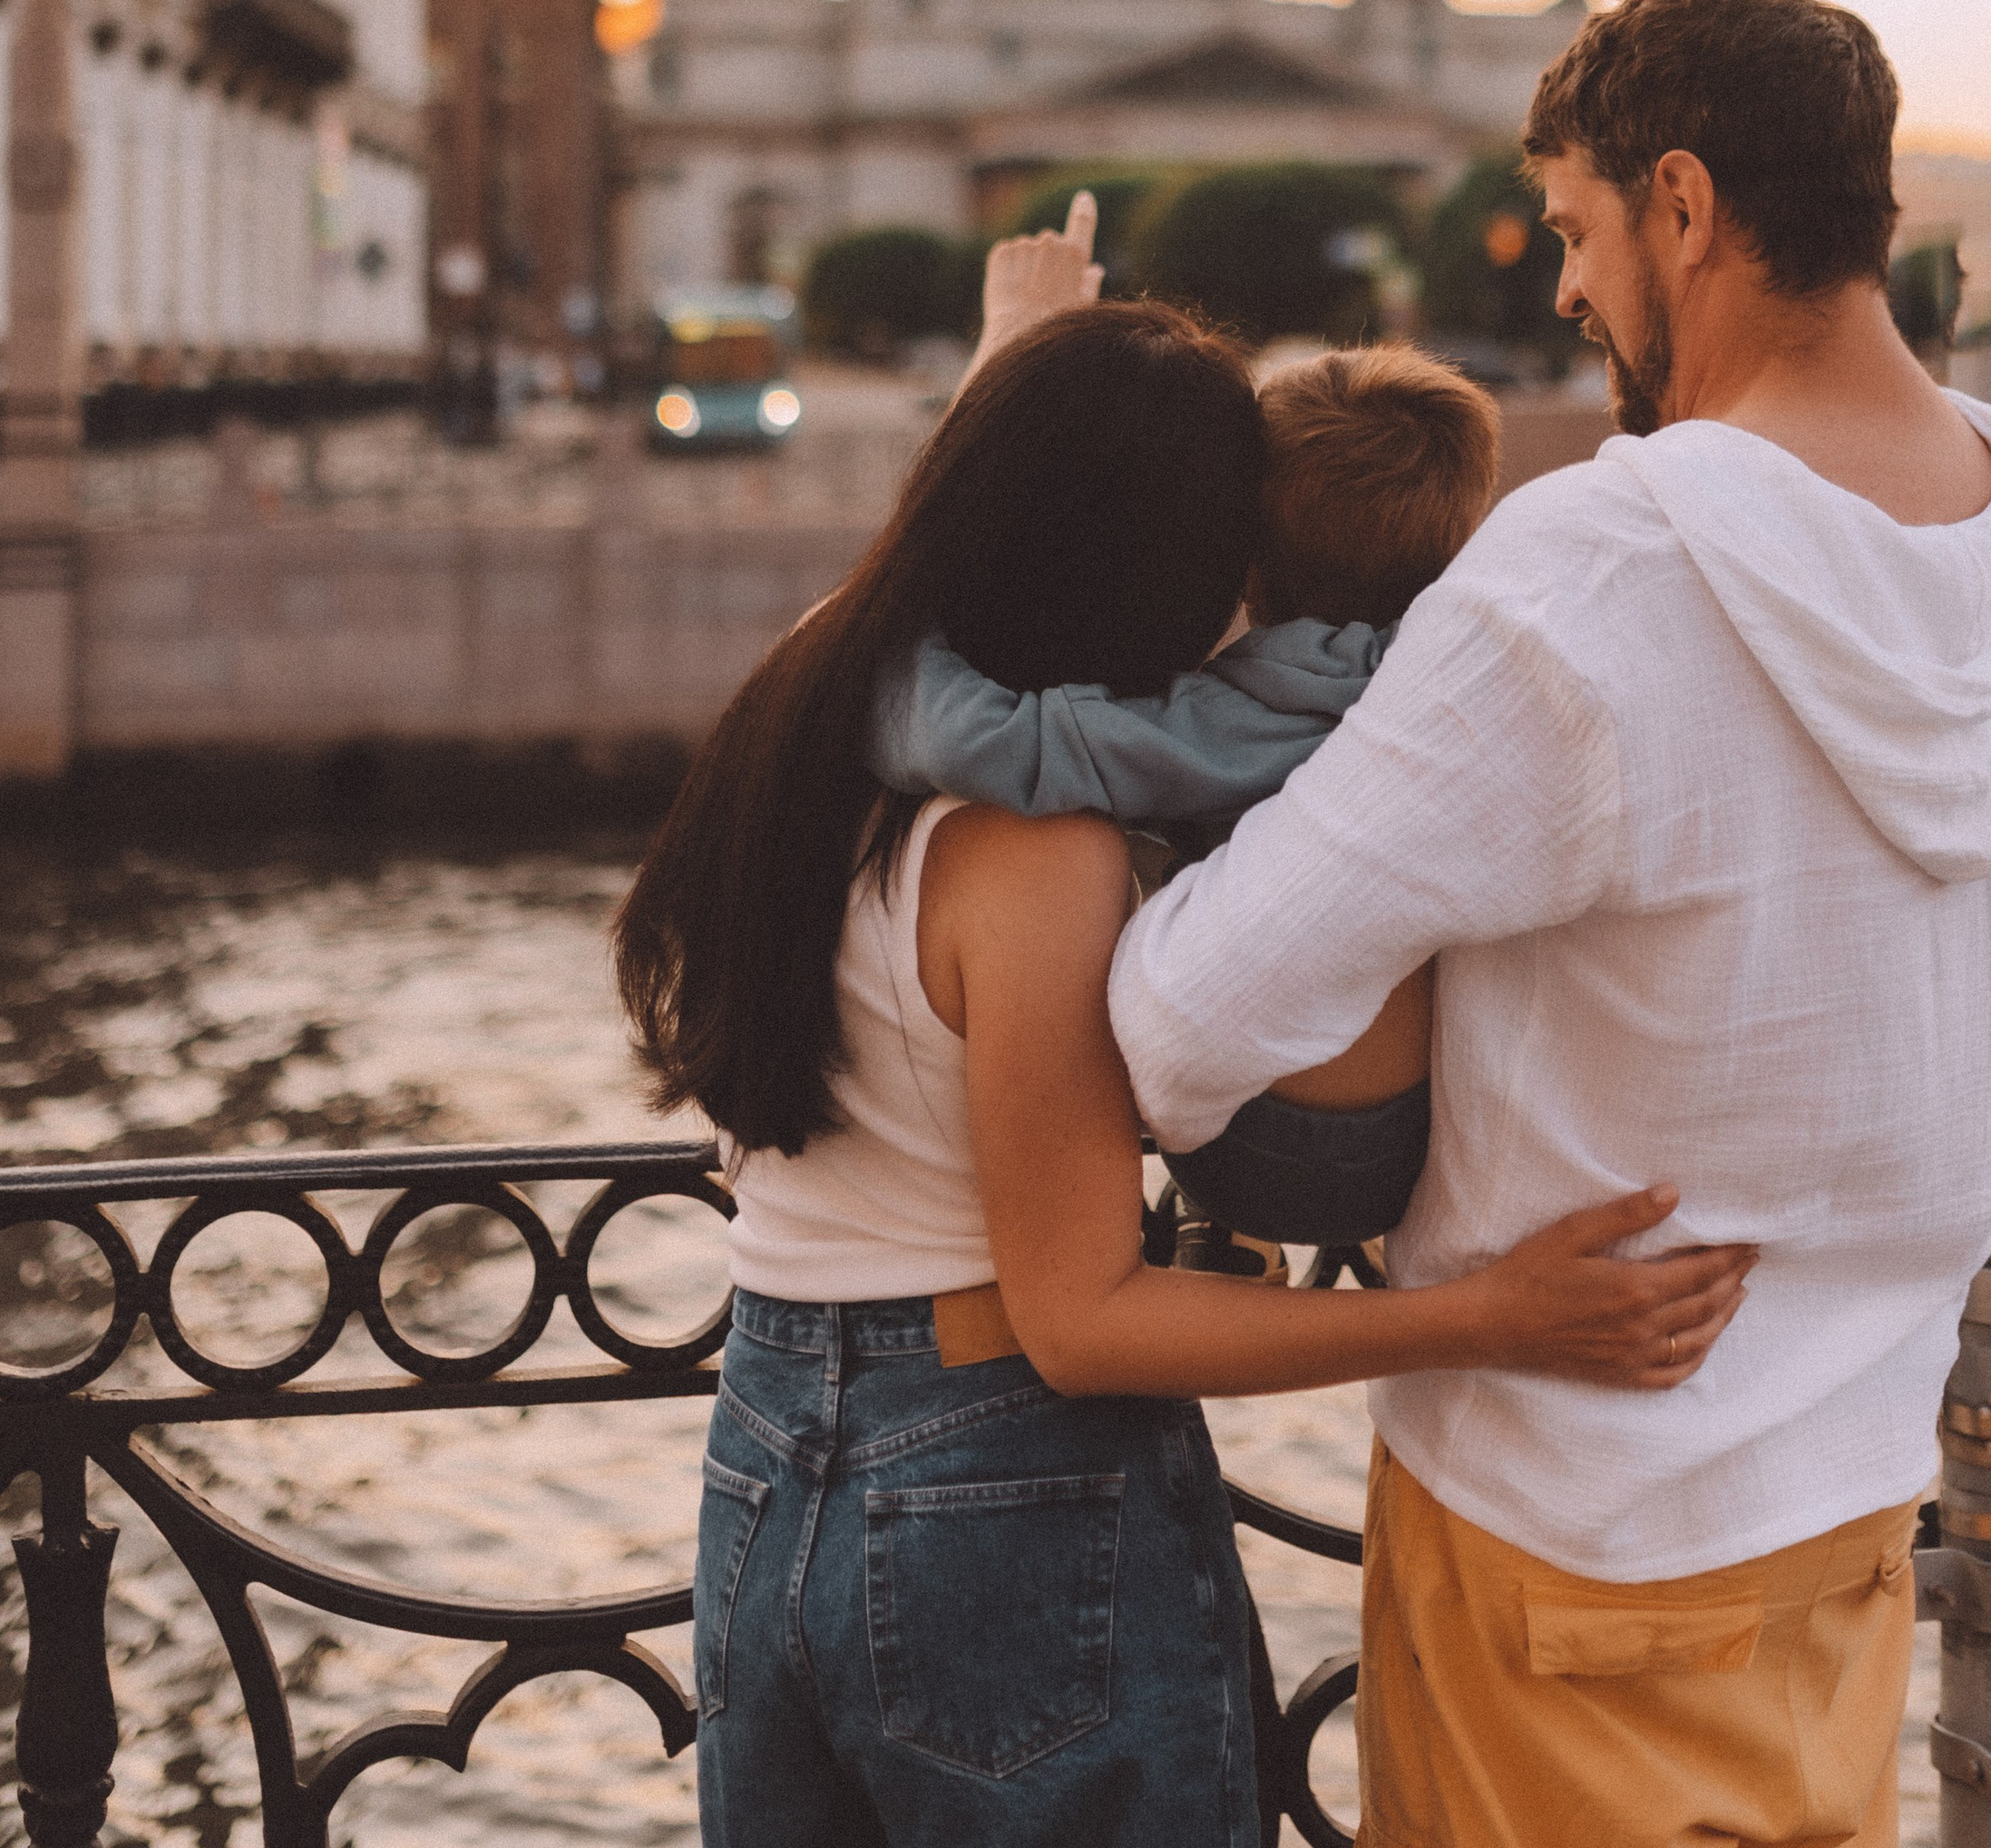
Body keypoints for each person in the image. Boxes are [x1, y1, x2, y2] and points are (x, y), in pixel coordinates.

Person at [1108, 0, 1991, 1848]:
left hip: (1565, 1548)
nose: (1560, 287)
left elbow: (1182, 1023)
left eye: (1574, 230)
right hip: (1844, 1535)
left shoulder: (1599, 562)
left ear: (1680, 205)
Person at [614, 294, 1754, 1848]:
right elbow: (1082, 1318)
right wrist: (1493, 1316)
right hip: (997, 1476)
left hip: (760, 1453)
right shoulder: (1030, 856)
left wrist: (1030, 349)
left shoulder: (818, 693)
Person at [874, 337, 1504, 1260]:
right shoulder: (1475, 677)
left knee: (1137, 843)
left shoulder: (1237, 715)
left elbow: (978, 743)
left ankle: (1224, 1227)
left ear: (1247, 561)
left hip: (1270, 1146)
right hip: (1441, 1124)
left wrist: (886, 627)